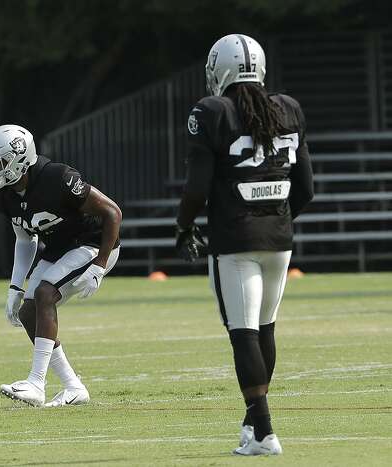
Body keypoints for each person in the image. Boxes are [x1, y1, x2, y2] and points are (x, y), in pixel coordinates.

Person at [175, 34, 314, 456]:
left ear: (221, 70)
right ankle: (253, 425)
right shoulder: (287, 108)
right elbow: (305, 189)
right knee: (263, 329)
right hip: (279, 240)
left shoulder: (212, 111)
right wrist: (274, 219)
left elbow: (197, 186)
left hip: (235, 242)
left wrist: (184, 226)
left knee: (243, 333)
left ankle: (265, 434)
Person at [0, 124, 122, 407]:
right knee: (28, 312)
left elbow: (112, 213)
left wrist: (100, 265)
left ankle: (36, 382)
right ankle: (73, 386)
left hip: (93, 245)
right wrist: (15, 286)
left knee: (45, 293)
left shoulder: (57, 177)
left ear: (20, 158)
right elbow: (24, 239)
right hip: (62, 248)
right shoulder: (7, 194)